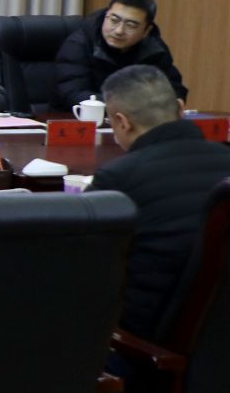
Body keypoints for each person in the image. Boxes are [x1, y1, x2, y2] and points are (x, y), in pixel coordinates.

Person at [88, 66, 230, 343]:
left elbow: (85, 268)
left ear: (122, 122)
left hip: (144, 345)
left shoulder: (118, 177)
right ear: (180, 108)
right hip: (216, 343)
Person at [54, 0, 188, 111]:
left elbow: (173, 86)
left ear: (146, 30)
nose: (119, 31)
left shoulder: (154, 48)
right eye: (114, 20)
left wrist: (176, 100)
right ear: (105, 16)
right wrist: (133, 105)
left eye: (131, 25)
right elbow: (72, 94)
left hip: (134, 121)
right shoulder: (80, 43)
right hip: (75, 119)